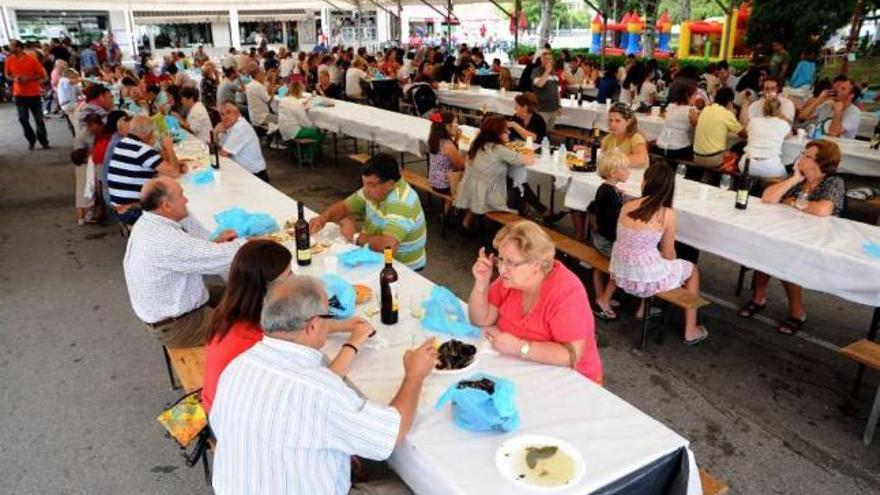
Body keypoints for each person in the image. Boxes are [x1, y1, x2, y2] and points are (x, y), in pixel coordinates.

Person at [211, 276, 436, 494]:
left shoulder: (238, 366)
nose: (331, 322)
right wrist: (414, 375)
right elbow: (393, 433)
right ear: (313, 326)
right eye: (329, 315)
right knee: (414, 487)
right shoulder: (320, 390)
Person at [468, 220, 603, 383]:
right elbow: (481, 319)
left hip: (573, 379)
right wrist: (481, 284)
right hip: (526, 369)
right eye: (501, 259)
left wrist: (519, 347)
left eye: (511, 262)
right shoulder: (511, 281)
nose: (501, 269)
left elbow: (570, 355)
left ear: (536, 264)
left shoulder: (566, 292)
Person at [739, 140, 846, 335]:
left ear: (820, 162)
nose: (800, 157)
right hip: (790, 232)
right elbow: (768, 198)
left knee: (785, 256)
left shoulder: (833, 182)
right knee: (767, 247)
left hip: (818, 239)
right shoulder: (800, 180)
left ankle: (797, 312)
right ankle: (758, 298)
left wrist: (793, 202)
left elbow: (823, 210)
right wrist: (794, 179)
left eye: (806, 155)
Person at [123, 177, 242, 347]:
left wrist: (215, 243)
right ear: (166, 205)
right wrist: (254, 243)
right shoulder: (165, 239)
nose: (186, 200)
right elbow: (225, 259)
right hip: (180, 326)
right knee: (249, 324)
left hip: (176, 308)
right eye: (181, 195)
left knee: (246, 295)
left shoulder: (148, 222)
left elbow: (188, 254)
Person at [610, 164, 708, 344]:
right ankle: (690, 330)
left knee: (650, 260)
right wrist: (673, 264)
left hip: (621, 270)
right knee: (692, 270)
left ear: (645, 182)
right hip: (641, 274)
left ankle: (641, 309)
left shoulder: (628, 204)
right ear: (669, 188)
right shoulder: (667, 214)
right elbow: (669, 253)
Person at [309, 153, 428, 270]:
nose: (366, 190)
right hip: (377, 256)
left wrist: (357, 237)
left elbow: (388, 247)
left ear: (390, 184)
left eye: (371, 185)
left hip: (402, 268)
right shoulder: (374, 190)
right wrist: (323, 218)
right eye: (364, 183)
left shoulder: (401, 202)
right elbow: (345, 207)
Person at [569, 102, 648, 242]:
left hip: (633, 181)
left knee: (591, 195)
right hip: (615, 179)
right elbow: (601, 154)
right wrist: (587, 151)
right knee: (577, 187)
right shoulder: (609, 138)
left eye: (618, 121)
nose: (613, 124)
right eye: (610, 120)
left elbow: (641, 159)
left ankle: (603, 236)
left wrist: (615, 160)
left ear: (628, 122)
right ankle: (581, 234)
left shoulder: (636, 138)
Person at [454, 116, 535, 231]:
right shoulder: (498, 150)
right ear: (496, 134)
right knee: (517, 190)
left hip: (469, 190)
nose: (508, 132)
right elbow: (529, 160)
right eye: (505, 130)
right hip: (489, 196)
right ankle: (511, 230)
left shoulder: (477, 144)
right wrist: (530, 149)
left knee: (507, 181)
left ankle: (466, 223)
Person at [106, 116, 183, 224]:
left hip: (119, 206)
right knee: (175, 209)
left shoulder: (122, 143)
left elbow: (157, 166)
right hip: (131, 211)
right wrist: (169, 148)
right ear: (149, 133)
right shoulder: (142, 150)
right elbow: (175, 173)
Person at [588, 149, 631, 320]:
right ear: (614, 172)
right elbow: (614, 224)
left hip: (599, 237)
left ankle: (600, 296)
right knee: (620, 265)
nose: (628, 172)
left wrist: (619, 196)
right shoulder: (611, 195)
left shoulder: (605, 189)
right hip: (606, 240)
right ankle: (604, 300)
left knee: (599, 266)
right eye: (625, 169)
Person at [4, 40, 49, 150]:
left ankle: (44, 141)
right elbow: (7, 75)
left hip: (33, 94)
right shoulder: (9, 60)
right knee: (22, 119)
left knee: (39, 120)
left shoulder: (31, 59)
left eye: (12, 46)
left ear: (19, 47)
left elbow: (42, 75)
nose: (10, 49)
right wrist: (14, 78)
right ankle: (31, 139)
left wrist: (28, 78)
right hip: (18, 94)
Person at [213, 102, 269, 182]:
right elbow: (217, 147)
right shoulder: (229, 126)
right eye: (222, 114)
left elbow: (223, 154)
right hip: (241, 171)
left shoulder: (240, 127)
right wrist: (215, 132)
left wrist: (215, 134)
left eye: (229, 112)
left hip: (255, 175)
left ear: (237, 113)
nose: (225, 117)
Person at [692, 87, 745, 171]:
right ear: (730, 102)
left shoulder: (706, 109)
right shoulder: (727, 114)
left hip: (696, 157)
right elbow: (743, 134)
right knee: (739, 152)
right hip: (714, 159)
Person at [740, 97, 792, 179]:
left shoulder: (753, 121)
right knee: (786, 179)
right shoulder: (783, 124)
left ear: (763, 109)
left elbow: (745, 130)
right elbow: (789, 134)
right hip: (771, 167)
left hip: (747, 164)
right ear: (779, 110)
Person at [427, 110, 466, 214]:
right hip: (444, 184)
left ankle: (447, 211)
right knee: (469, 180)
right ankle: (451, 214)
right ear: (447, 126)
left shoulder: (435, 139)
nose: (457, 126)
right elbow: (460, 166)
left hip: (433, 179)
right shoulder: (448, 145)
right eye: (455, 123)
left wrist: (456, 139)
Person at [655, 79, 699, 162]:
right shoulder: (691, 110)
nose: (696, 97)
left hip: (660, 147)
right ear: (687, 95)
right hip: (678, 150)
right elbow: (697, 124)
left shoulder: (671, 107)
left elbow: (662, 115)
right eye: (695, 94)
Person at [277, 81, 323, 159]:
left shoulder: (283, 100)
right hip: (294, 131)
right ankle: (307, 155)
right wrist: (315, 127)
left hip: (283, 129)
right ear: (299, 91)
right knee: (319, 133)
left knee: (312, 130)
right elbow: (305, 122)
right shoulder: (296, 103)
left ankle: (300, 151)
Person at [531, 51, 561, 130]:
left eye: (550, 59)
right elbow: (540, 84)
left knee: (549, 132)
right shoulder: (536, 71)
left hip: (553, 109)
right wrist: (547, 71)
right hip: (541, 109)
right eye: (545, 59)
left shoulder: (554, 74)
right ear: (541, 60)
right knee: (540, 132)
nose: (548, 61)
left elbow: (557, 91)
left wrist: (559, 105)